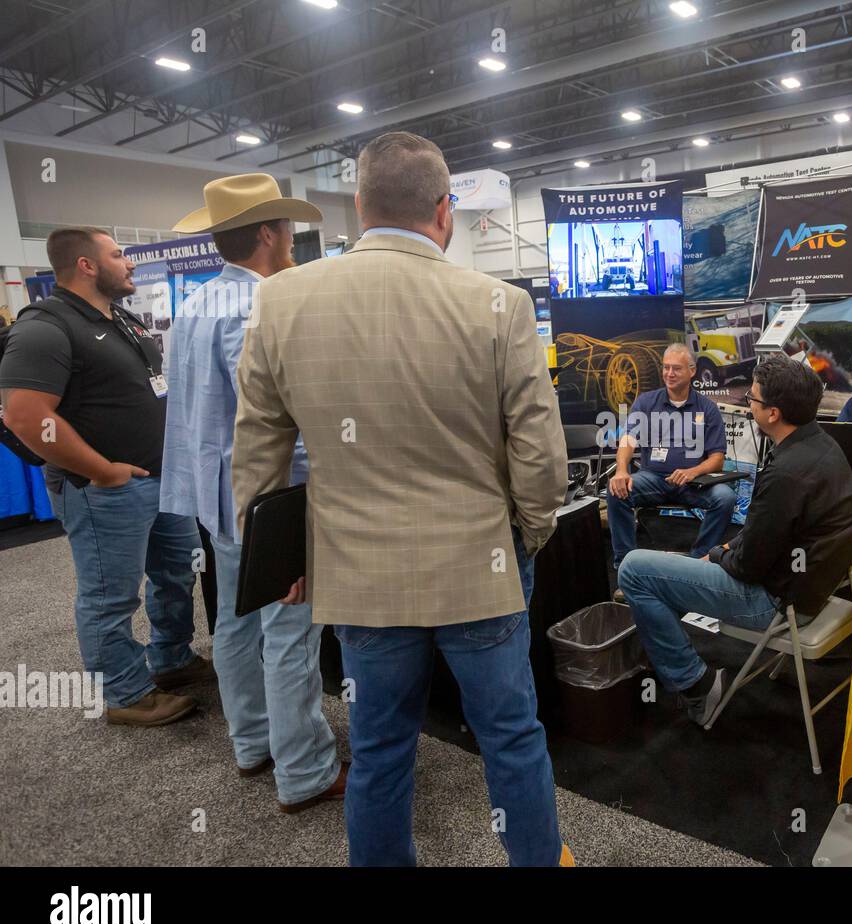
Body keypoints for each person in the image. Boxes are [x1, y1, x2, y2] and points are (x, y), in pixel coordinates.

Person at [231, 131, 571, 867]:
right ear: (445, 211)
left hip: (359, 577)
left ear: (358, 206)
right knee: (512, 740)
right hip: (481, 566)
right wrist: (533, 533)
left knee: (381, 750)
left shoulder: (281, 301)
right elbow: (540, 455)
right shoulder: (500, 304)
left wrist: (273, 562)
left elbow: (257, 452)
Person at [161, 174, 345, 811]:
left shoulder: (197, 303)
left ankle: (253, 742)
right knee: (289, 629)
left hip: (215, 497)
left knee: (236, 623)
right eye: (288, 230)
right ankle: (305, 770)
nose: (293, 240)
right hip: (269, 497)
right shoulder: (259, 304)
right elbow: (269, 416)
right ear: (269, 233)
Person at [0, 227, 214, 725]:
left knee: (176, 575)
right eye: (118, 255)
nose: (130, 263)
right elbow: (25, 415)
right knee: (110, 594)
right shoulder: (45, 326)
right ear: (87, 265)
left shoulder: (117, 316)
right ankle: (123, 692)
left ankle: (172, 659)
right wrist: (102, 470)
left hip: (162, 479)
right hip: (104, 489)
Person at [618, 356, 852, 726]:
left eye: (753, 400)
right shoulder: (825, 446)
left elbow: (747, 567)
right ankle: (665, 648)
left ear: (773, 413)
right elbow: (764, 537)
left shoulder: (786, 474)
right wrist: (723, 551)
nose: (749, 405)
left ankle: (695, 684)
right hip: (808, 589)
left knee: (634, 570)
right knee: (665, 571)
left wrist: (714, 554)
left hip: (773, 603)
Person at [606, 343, 733, 569]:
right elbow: (627, 440)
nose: (669, 374)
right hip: (653, 478)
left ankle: (699, 561)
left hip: (693, 483)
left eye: (676, 368)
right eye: (666, 368)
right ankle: (625, 564)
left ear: (692, 371)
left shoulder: (707, 408)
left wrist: (691, 472)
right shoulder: (646, 402)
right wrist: (622, 470)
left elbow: (717, 459)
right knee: (616, 490)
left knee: (725, 498)